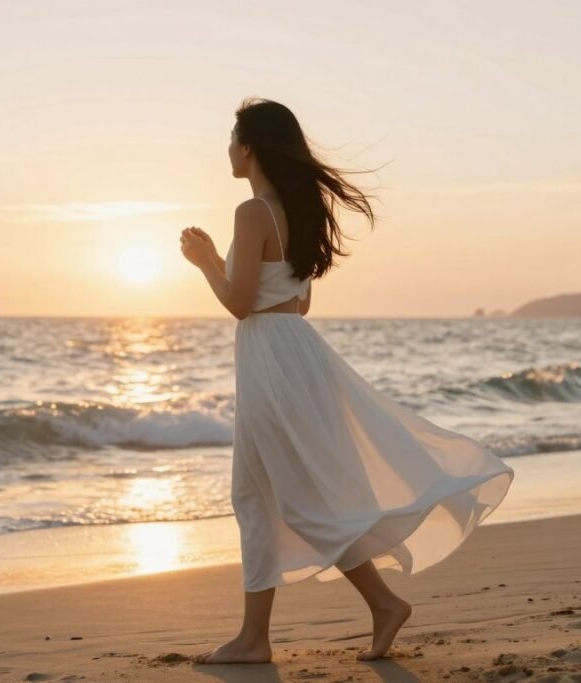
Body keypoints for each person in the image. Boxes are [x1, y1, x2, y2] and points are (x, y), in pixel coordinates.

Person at [178, 97, 514, 665]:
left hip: (268, 357)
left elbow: (239, 305)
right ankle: (258, 636)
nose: (228, 149)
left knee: (293, 497)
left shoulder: (252, 211)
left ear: (250, 146)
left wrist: (206, 259)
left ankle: (374, 605)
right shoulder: (300, 209)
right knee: (260, 495)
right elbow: (300, 303)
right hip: (296, 351)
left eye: (233, 138)